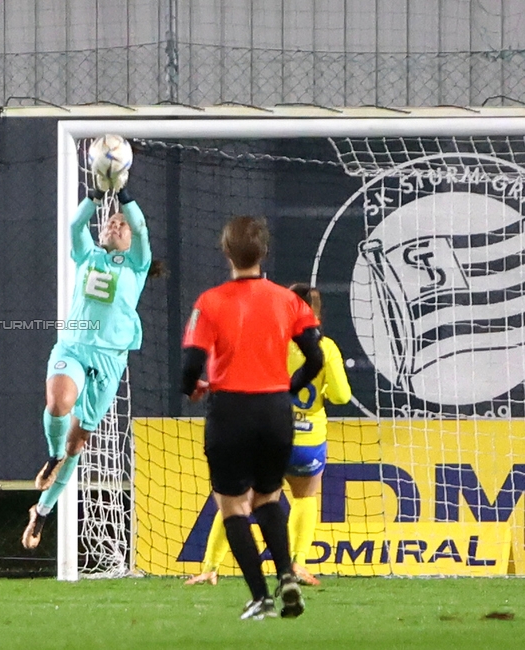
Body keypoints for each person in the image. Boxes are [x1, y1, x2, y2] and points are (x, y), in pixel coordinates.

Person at [180, 216, 323, 620]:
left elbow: (190, 365)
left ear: (226, 252)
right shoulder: (289, 301)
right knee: (268, 496)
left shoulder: (210, 302)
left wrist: (193, 386)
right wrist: (288, 387)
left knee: (233, 507)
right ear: (264, 253)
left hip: (230, 410)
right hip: (276, 412)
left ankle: (260, 596)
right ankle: (287, 577)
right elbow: (315, 356)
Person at [22, 172, 159, 549]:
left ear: (130, 239)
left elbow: (143, 228)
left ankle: (42, 512)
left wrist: (125, 194)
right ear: (102, 234)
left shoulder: (136, 266)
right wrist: (97, 194)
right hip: (73, 348)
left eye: (122, 224)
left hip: (110, 360)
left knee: (78, 442)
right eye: (111, 222)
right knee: (58, 402)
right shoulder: (87, 254)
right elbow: (75, 223)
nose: (116, 224)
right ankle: (51, 457)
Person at [186, 284, 352, 588]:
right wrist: (323, 390)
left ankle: (210, 567)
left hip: (266, 432)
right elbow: (342, 396)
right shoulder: (325, 348)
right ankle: (297, 564)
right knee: (305, 498)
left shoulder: (266, 338)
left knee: (237, 502)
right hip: (308, 439)